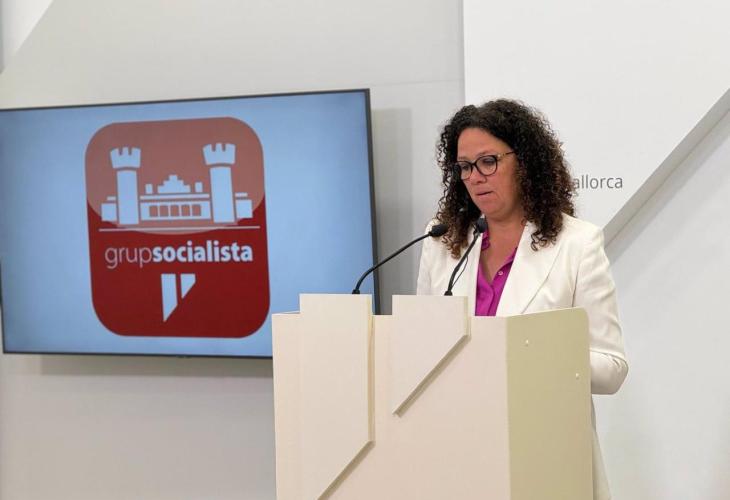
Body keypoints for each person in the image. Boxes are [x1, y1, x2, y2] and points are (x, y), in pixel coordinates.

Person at [417, 99, 628, 500]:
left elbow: (612, 369)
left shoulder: (577, 244)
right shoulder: (442, 240)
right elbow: (422, 343)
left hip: (543, 455)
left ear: (525, 161)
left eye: (488, 162)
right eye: (465, 167)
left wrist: (528, 353)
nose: (475, 177)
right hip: (456, 450)